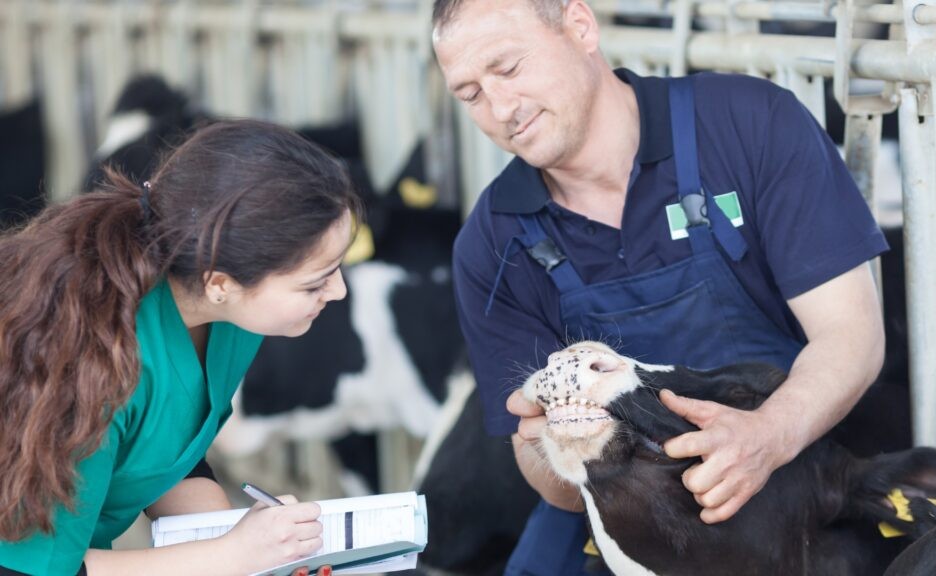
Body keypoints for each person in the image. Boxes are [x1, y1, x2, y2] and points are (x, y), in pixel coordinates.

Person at [432, 0, 888, 573]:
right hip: (626, 505)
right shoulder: (491, 244)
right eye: (470, 94)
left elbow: (852, 334)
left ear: (580, 25)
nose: (500, 108)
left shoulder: (748, 123)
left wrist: (768, 434)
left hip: (797, 464)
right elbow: (540, 467)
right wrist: (562, 445)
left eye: (508, 68)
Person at [0, 120, 363, 576]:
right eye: (315, 282)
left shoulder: (229, 318)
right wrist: (234, 555)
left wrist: (262, 548)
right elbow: (29, 569)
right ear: (220, 283)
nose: (339, 292)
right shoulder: (85, 367)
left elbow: (164, 450)